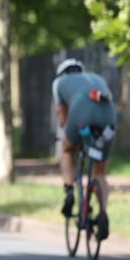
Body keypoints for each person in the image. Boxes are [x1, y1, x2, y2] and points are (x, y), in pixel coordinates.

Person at [53, 58, 117, 240]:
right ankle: (103, 213)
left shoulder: (59, 83)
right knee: (99, 172)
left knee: (66, 151)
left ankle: (70, 191)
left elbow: (62, 116)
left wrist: (69, 137)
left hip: (81, 112)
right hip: (108, 116)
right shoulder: (96, 78)